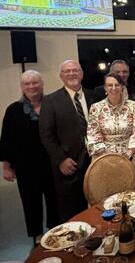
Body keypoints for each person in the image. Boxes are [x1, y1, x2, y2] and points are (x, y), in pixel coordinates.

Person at [0, 70, 57, 244]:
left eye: (35, 82)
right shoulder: (13, 110)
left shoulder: (51, 104)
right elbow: (6, 138)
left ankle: (54, 230)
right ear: (22, 87)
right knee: (30, 201)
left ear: (42, 84)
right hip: (25, 165)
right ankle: (37, 235)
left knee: (54, 198)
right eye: (27, 84)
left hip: (51, 163)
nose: (31, 86)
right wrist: (6, 166)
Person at [39, 60, 95, 223]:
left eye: (75, 70)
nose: (72, 74)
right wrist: (61, 159)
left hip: (94, 159)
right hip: (69, 162)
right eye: (67, 71)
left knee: (97, 202)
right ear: (61, 76)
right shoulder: (50, 101)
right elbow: (46, 134)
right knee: (71, 208)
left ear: (82, 73)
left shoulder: (94, 96)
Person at [86, 73, 135, 183]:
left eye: (117, 85)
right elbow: (93, 134)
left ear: (122, 87)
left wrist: (129, 155)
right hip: (104, 158)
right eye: (109, 85)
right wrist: (108, 158)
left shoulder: (132, 106)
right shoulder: (96, 108)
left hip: (130, 156)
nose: (113, 88)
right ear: (105, 88)